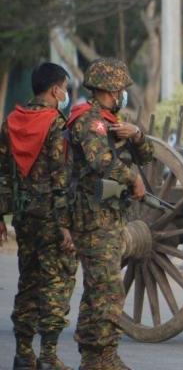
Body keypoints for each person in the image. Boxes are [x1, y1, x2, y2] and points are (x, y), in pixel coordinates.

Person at [67, 58, 155, 370]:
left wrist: (137, 135)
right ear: (111, 90)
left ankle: (100, 356)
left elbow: (147, 156)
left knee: (102, 289)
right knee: (106, 289)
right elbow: (101, 162)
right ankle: (98, 357)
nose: (122, 95)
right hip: (92, 218)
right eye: (120, 90)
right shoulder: (89, 121)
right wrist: (133, 179)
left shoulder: (113, 121)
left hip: (109, 216)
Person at [0, 63, 76, 370]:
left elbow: (3, 175)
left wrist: (1, 216)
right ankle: (48, 356)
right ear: (55, 90)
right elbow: (61, 179)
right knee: (56, 283)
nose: (66, 94)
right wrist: (66, 226)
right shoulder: (56, 125)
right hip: (51, 220)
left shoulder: (11, 122)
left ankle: (23, 354)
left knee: (28, 282)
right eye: (65, 88)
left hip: (23, 218)